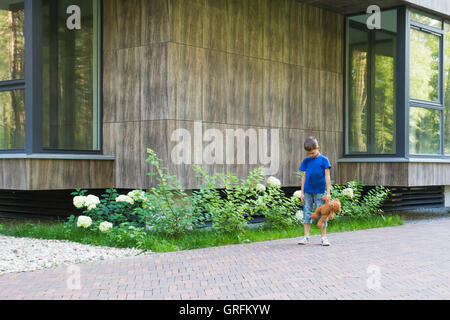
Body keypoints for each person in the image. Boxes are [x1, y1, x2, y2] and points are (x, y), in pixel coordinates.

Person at [297, 137, 332, 246]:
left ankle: (323, 238)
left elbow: (327, 176)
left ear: (318, 148)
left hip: (320, 192)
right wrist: (302, 192)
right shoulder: (306, 161)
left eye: (312, 153)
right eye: (308, 153)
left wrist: (328, 192)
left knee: (323, 213)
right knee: (307, 213)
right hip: (308, 192)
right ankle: (306, 237)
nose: (310, 155)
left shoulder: (324, 160)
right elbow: (303, 176)